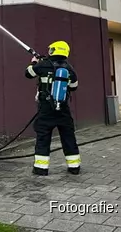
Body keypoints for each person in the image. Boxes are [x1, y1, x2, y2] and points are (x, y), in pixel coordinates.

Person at [25, 41, 80, 176]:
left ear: (53, 50)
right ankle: (74, 167)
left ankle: (41, 169)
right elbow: (74, 87)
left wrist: (34, 62)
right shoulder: (70, 68)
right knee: (68, 137)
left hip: (46, 109)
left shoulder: (43, 65)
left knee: (43, 137)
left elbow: (28, 73)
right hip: (63, 109)